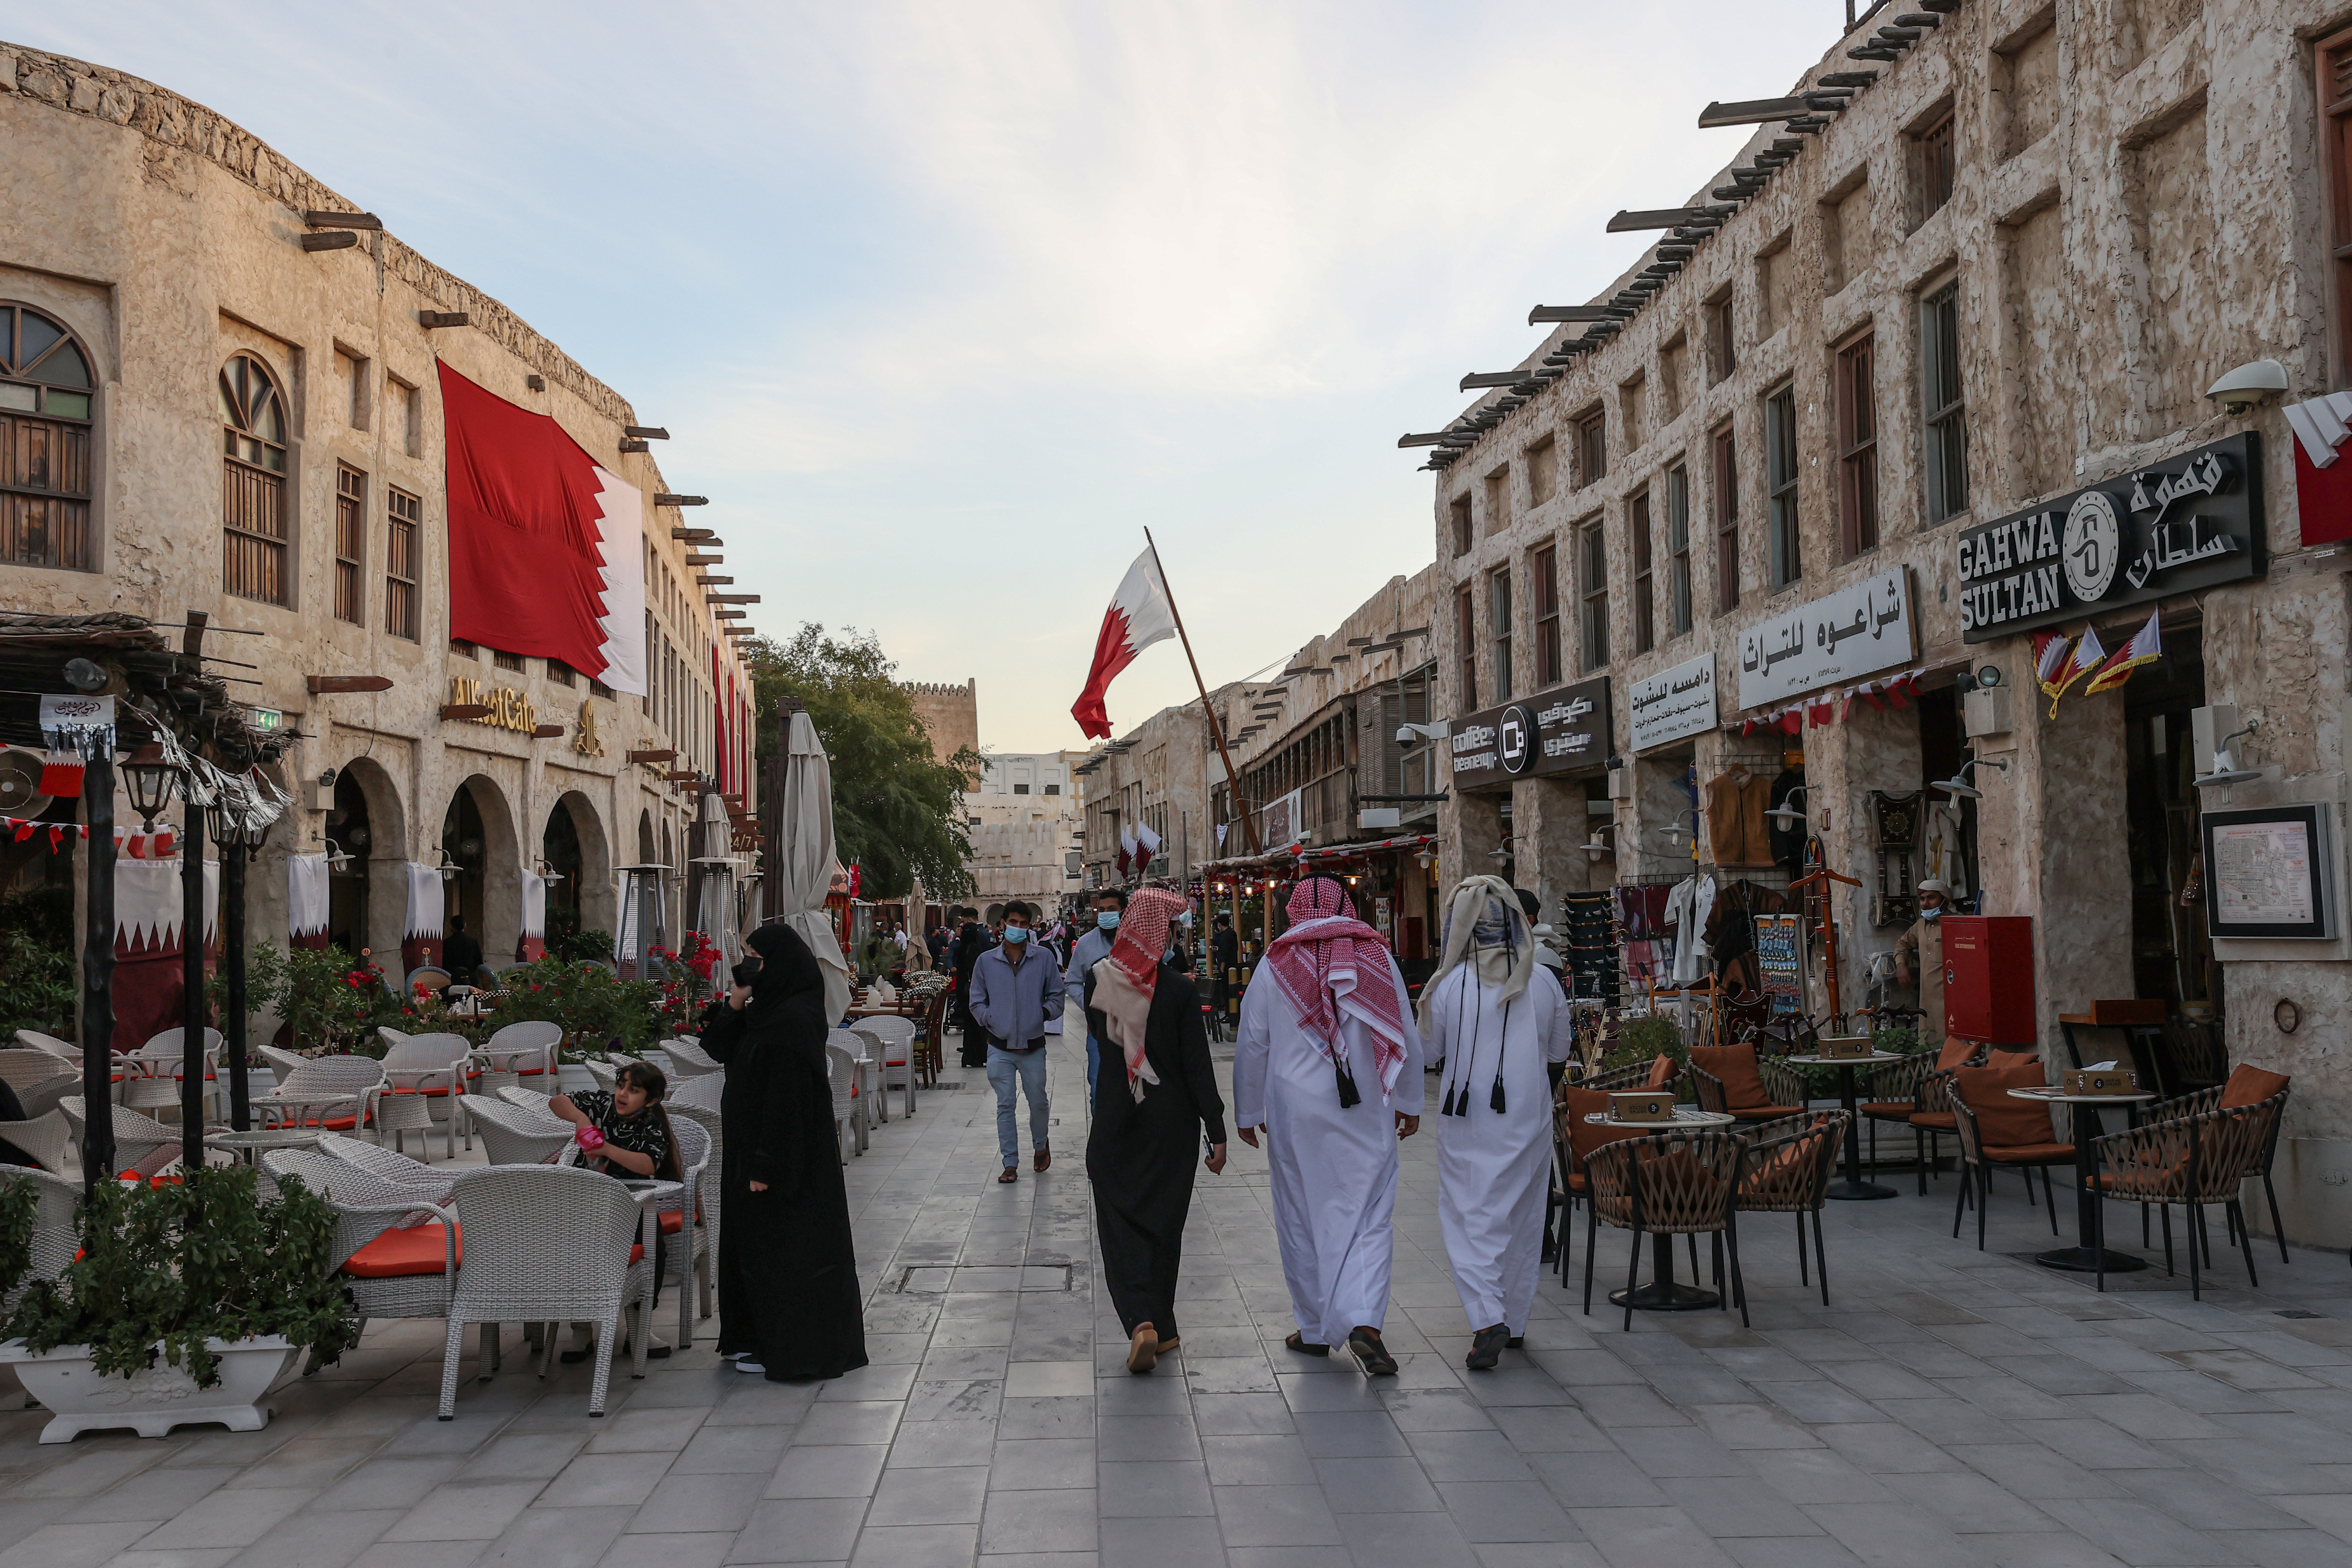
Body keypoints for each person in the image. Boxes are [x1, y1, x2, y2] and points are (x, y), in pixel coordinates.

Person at [1234, 876, 1422, 1376]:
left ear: (1293, 909)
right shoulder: (1377, 958)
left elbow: (1252, 1042)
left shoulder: (1274, 963)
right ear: (1348, 904)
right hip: (1368, 1105)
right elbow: (1402, 1028)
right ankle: (1364, 1322)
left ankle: (1316, 1329)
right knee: (1369, 1212)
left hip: (1296, 1111)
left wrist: (1248, 1113)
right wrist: (1410, 1099)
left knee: (1301, 1212)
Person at [697, 924, 869, 1382]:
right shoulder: (765, 1010)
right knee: (751, 1248)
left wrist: (766, 1164)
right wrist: (736, 997)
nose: (750, 964)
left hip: (782, 1157)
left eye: (758, 957)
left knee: (783, 1250)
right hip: (748, 1147)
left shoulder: (795, 1018)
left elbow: (787, 1101)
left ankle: (786, 1345)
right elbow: (716, 1046)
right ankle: (751, 1335)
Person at [1420, 875, 1572, 1372]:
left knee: (1470, 1216)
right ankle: (1516, 1320)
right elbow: (1559, 1050)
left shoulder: (1447, 986)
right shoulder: (1544, 979)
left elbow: (1428, 1052)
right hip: (1528, 1117)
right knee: (1525, 1216)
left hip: (1469, 1123)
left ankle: (1487, 1319)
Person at [1084, 887, 1227, 1374]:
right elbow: (1196, 1066)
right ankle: (1160, 1324)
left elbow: (1105, 1048)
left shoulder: (1097, 980)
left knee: (1120, 1220)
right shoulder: (1182, 990)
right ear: (1161, 933)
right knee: (1165, 1224)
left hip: (1116, 1120)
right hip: (1172, 1125)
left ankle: (1144, 1319)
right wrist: (1218, 1126)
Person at [968, 901, 1067, 1183]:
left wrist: (1041, 1015)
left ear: (1031, 927)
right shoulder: (986, 962)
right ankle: (1010, 1162)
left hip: (1033, 1044)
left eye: (1024, 924)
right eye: (1013, 923)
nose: (1018, 929)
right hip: (999, 1045)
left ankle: (1040, 1145)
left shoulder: (1044, 959)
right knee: (1005, 1104)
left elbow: (1057, 997)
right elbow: (976, 1001)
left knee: (1038, 1101)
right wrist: (991, 1019)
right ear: (1002, 925)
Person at [1064, 889, 1127, 1091]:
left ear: (1123, 911)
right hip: (1099, 1030)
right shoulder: (1086, 944)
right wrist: (1091, 1006)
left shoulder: (1137, 942)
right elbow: (1073, 981)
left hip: (1136, 1027)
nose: (1106, 914)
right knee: (1100, 1088)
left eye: (1112, 910)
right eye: (1101, 910)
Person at [1894, 878, 1951, 1050]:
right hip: (1927, 999)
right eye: (1923, 899)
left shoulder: (1956, 924)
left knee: (1950, 1045)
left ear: (1944, 900)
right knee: (1928, 1042)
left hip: (1949, 999)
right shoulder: (1920, 926)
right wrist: (1901, 965)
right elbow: (1902, 945)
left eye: (1931, 898)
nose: (1926, 904)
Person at [951, 906, 994, 1069]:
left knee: (970, 1025)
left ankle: (970, 1055)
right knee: (978, 1025)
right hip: (974, 991)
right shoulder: (976, 946)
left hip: (964, 990)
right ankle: (978, 1055)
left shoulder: (962, 948)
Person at [441, 914, 484, 988]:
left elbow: (445, 963)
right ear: (465, 925)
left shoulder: (447, 942)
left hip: (453, 980)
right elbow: (479, 962)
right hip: (471, 980)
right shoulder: (473, 942)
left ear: (451, 926)